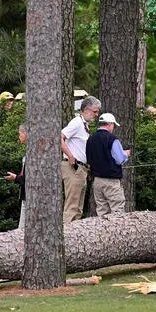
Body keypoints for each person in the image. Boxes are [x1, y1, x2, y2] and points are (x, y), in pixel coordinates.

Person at [60, 95, 100, 223]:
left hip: (81, 168)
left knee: (78, 208)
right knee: (72, 205)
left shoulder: (84, 125)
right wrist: (70, 156)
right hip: (73, 167)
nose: (96, 114)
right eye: (95, 111)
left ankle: (74, 236)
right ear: (86, 109)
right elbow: (59, 137)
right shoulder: (77, 122)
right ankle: (66, 234)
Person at [85, 113, 131, 217]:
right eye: (114, 125)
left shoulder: (90, 139)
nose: (113, 128)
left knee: (102, 211)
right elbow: (120, 160)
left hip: (97, 181)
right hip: (111, 181)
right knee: (117, 211)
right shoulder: (112, 139)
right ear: (109, 124)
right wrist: (126, 154)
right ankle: (117, 233)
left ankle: (102, 233)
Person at [5, 122, 28, 228]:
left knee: (22, 228)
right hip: (25, 194)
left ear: (25, 133)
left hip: (29, 195)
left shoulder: (33, 152)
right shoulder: (28, 151)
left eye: (20, 134)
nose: (19, 136)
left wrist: (15, 178)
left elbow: (28, 177)